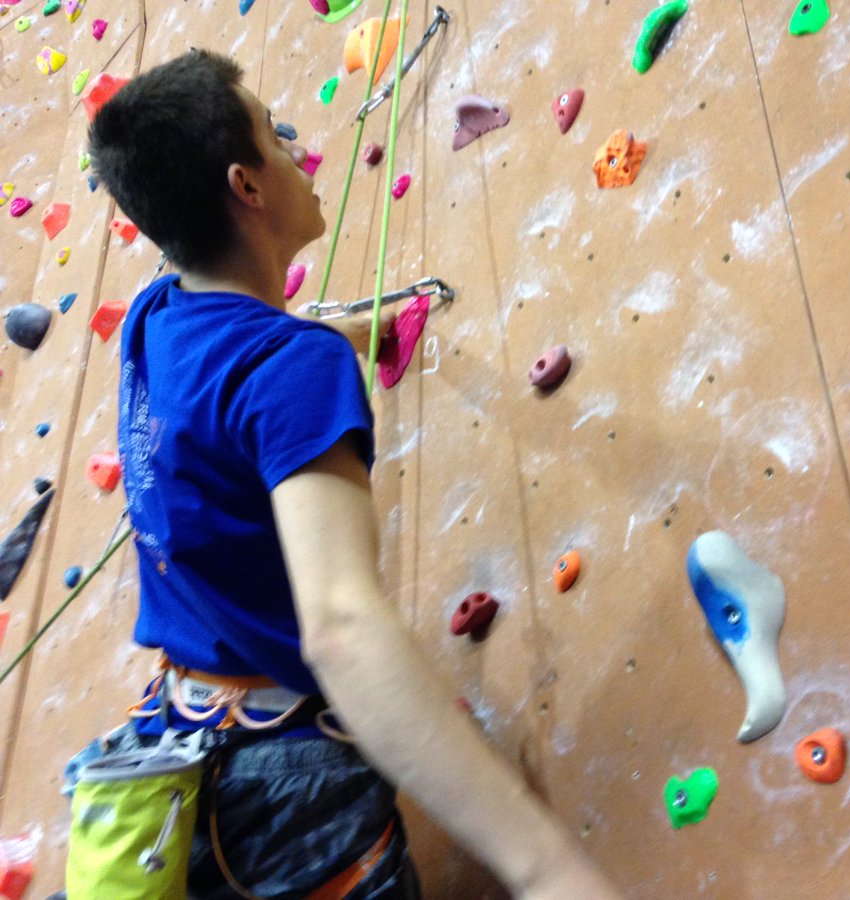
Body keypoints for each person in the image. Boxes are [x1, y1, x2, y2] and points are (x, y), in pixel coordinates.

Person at [62, 48, 619, 898]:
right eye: (276, 136)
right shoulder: (293, 367)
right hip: (283, 788)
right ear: (247, 186)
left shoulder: (153, 318)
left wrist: (354, 335)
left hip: (176, 751)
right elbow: (341, 628)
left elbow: (228, 386)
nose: (299, 151)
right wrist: (544, 868)